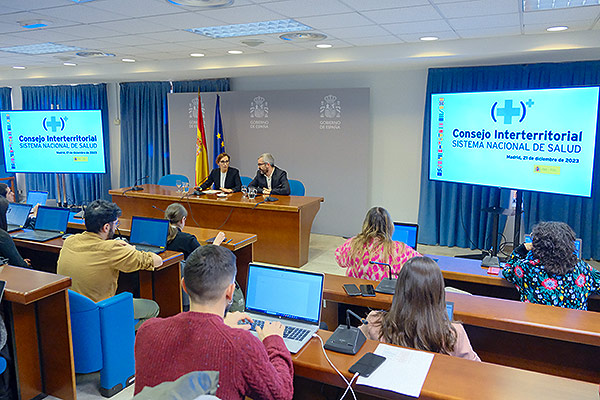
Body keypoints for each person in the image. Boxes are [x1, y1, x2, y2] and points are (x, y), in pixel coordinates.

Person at [134, 245, 294, 399]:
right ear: (230, 293)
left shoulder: (147, 330)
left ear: (184, 285)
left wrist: (221, 326)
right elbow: (281, 394)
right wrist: (274, 341)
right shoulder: (241, 345)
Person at [57, 199, 163, 329]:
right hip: (100, 311)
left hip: (73, 309)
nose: (116, 226)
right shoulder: (111, 249)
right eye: (115, 223)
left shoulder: (70, 241)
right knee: (153, 308)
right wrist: (130, 249)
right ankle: (118, 336)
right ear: (106, 227)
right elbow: (157, 261)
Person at [360, 256, 480, 361]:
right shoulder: (454, 333)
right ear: (439, 292)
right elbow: (474, 368)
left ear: (399, 289)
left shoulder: (374, 322)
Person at [503, 221, 600, 310]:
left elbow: (507, 270)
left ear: (537, 245)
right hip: (574, 327)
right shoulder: (582, 268)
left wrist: (522, 249)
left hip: (536, 326)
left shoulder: (526, 268)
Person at [335, 207, 421, 280]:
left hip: (356, 294)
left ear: (366, 225)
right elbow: (421, 265)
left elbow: (339, 260)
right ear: (389, 226)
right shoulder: (400, 249)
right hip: (386, 297)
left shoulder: (353, 244)